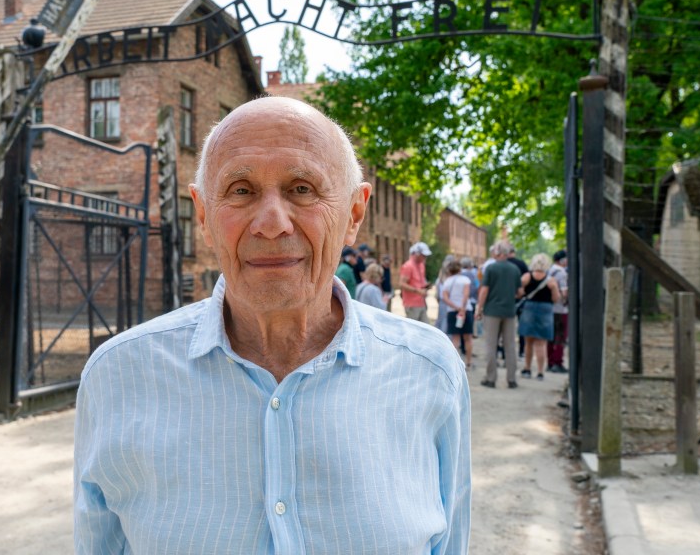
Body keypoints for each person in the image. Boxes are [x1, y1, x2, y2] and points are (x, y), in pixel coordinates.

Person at [73, 97, 471, 554]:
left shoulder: (429, 371)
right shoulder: (119, 376)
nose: (271, 223)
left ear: (354, 215)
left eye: (302, 188)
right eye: (241, 190)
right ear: (202, 215)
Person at [475, 241, 523, 388]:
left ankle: (491, 378)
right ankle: (511, 379)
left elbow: (484, 290)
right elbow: (520, 292)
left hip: (492, 311)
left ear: (498, 252)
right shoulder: (514, 269)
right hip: (509, 311)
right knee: (510, 346)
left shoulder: (491, 268)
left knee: (491, 345)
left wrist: (479, 308)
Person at [518, 254, 562, 381]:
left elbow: (520, 293)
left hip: (529, 309)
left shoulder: (527, 277)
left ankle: (527, 369)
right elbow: (555, 298)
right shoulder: (551, 280)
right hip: (545, 310)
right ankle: (540, 372)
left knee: (528, 343)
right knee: (541, 344)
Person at [441, 258, 473, 370]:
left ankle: (455, 364)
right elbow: (466, 295)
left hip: (452, 311)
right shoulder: (465, 280)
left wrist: (456, 307)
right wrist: (462, 308)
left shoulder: (447, 281)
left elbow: (445, 297)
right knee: (468, 338)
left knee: (455, 338)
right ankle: (468, 362)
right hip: (466, 310)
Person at [400, 241, 432, 323]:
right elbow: (402, 284)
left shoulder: (421, 265)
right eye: (423, 255)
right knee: (413, 329)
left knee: (425, 328)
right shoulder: (408, 266)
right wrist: (417, 291)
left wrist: (425, 286)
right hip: (411, 303)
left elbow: (419, 282)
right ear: (417, 254)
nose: (425, 258)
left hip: (421, 302)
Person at [548, 250, 569, 373]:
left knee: (551, 336)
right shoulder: (561, 273)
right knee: (560, 336)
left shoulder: (550, 271)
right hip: (560, 309)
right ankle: (557, 362)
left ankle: (550, 362)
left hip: (550, 308)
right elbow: (564, 292)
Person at [507, 247, 529, 358]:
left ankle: (502, 352)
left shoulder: (502, 264)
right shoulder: (521, 264)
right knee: (521, 326)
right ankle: (521, 351)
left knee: (504, 329)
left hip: (505, 300)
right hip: (520, 299)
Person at [435, 255, 456, 334]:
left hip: (443, 301)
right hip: (448, 301)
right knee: (446, 322)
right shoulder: (450, 275)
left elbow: (438, 289)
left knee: (442, 320)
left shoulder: (441, 274)